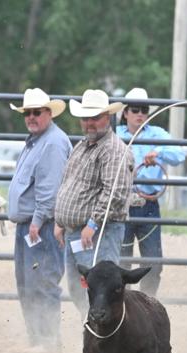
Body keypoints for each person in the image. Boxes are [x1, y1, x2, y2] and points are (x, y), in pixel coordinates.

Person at [54, 89, 133, 317]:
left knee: (102, 288)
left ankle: (107, 334)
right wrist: (61, 221)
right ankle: (90, 328)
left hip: (99, 232)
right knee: (79, 288)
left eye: (95, 117)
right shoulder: (83, 145)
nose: (89, 123)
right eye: (85, 118)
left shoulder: (113, 149)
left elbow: (114, 192)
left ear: (106, 117)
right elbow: (69, 181)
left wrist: (93, 223)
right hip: (77, 230)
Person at [7, 88, 72, 351]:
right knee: (29, 283)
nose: (31, 117)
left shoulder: (52, 143)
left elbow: (49, 188)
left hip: (41, 226)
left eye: (36, 112)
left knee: (42, 282)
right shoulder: (39, 140)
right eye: (28, 113)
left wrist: (37, 220)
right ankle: (39, 338)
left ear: (48, 113)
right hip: (33, 224)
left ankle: (47, 340)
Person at [117, 87, 185, 296]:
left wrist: (159, 151)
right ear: (126, 112)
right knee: (121, 260)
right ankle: (123, 300)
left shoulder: (157, 135)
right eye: (135, 109)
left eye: (144, 110)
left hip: (148, 205)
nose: (140, 114)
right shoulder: (115, 135)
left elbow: (179, 154)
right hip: (122, 203)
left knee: (153, 261)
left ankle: (147, 301)